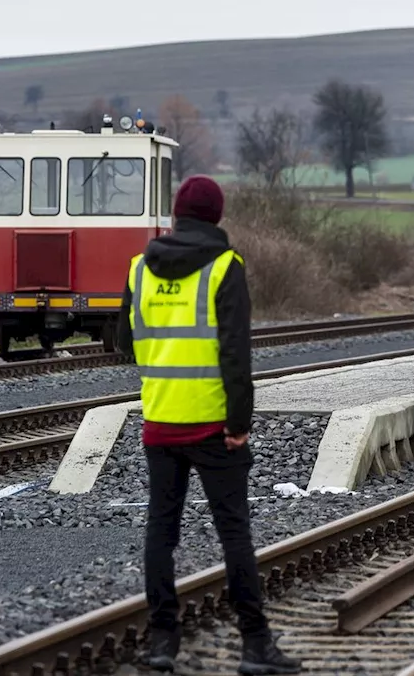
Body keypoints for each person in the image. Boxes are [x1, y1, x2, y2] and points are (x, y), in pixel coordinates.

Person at [117, 175, 300, 675]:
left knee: (161, 532)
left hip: (160, 423)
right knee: (234, 534)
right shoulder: (225, 267)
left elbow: (122, 342)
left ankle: (161, 643)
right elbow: (236, 355)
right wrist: (240, 424)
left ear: (177, 215)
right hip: (215, 428)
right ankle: (255, 647)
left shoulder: (139, 268)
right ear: (216, 217)